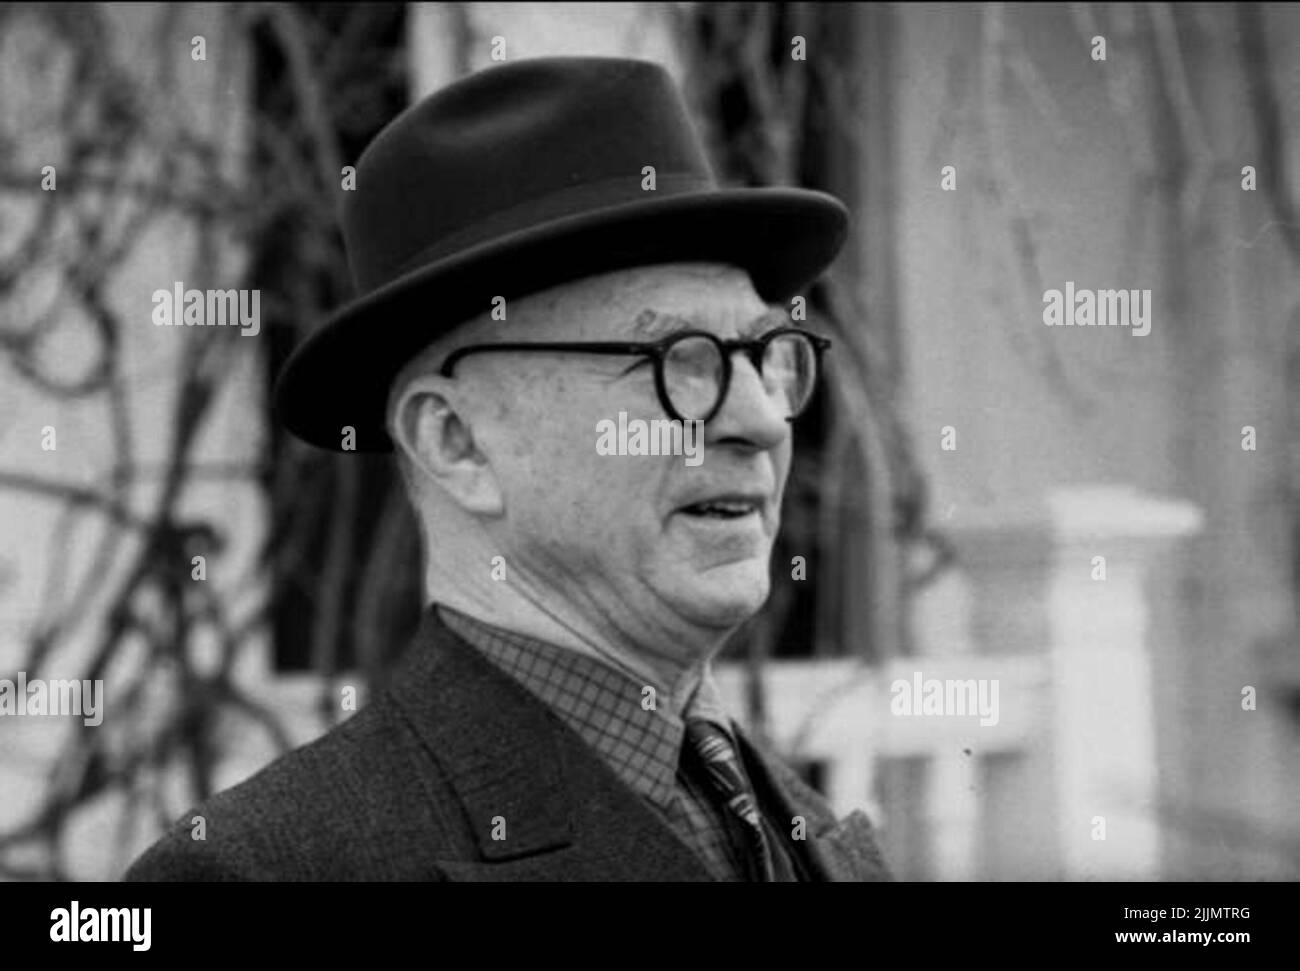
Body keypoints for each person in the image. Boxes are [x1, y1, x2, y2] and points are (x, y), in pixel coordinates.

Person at [126, 56, 890, 881]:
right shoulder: (263, 871)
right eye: (678, 359)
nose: (762, 419)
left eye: (765, 355)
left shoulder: (813, 833)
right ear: (457, 442)